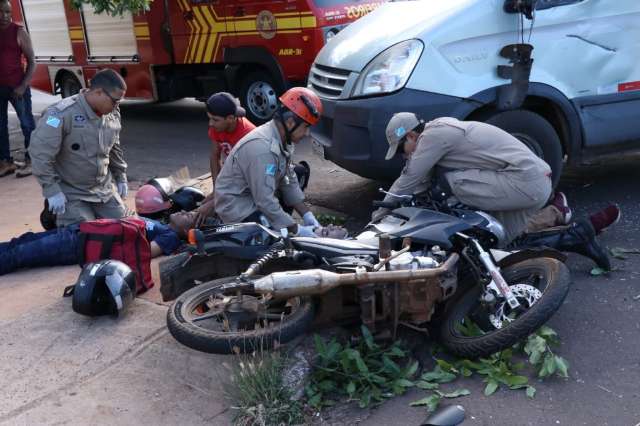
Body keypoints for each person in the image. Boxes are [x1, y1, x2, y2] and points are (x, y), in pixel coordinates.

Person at [376, 113, 615, 270]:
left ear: (411, 135)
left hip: (524, 181)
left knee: (449, 185)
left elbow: (410, 179)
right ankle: (579, 236)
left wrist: (377, 217)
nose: (404, 156)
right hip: (533, 182)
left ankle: (557, 214)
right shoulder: (441, 133)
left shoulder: (434, 134)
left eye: (401, 150)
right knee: (501, 247)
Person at [213, 87, 323, 237]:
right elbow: (264, 201)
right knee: (277, 239)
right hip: (236, 206)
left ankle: (283, 225)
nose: (307, 133)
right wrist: (297, 230)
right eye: (306, 127)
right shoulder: (262, 149)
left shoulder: (282, 139)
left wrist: (308, 216)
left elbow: (288, 180)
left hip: (253, 196)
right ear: (290, 123)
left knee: (298, 173)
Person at [29, 69, 129, 227]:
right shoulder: (59, 115)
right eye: (114, 101)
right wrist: (52, 191)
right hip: (71, 192)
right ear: (98, 92)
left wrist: (120, 176)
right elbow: (40, 155)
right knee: (85, 236)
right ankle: (54, 217)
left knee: (126, 228)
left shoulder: (112, 113)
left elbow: (114, 148)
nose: (117, 105)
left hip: (103, 190)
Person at [0, 211, 197, 276]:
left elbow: (144, 251)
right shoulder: (160, 223)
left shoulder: (169, 236)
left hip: (81, 244)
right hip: (82, 230)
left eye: (188, 216)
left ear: (186, 231)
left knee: (20, 254)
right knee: (23, 242)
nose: (184, 212)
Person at [0, 0, 36, 178]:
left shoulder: (19, 32)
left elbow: (32, 62)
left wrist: (23, 86)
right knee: (0, 127)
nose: (4, 16)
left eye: (7, 12)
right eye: (0, 12)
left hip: (17, 88)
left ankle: (32, 160)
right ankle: (6, 162)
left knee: (27, 124)